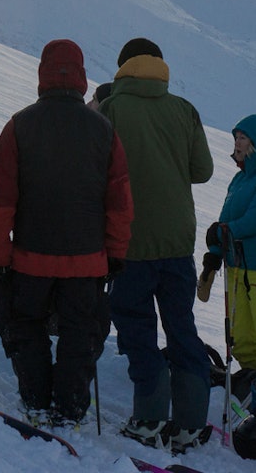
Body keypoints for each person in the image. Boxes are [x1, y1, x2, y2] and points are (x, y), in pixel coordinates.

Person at [0, 39, 133, 425]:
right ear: (82, 75)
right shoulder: (103, 129)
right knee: (80, 332)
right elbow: (119, 200)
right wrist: (116, 252)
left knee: (26, 325)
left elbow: (1, 199)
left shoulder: (19, 125)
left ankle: (36, 399)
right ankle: (69, 407)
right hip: (87, 259)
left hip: (30, 257)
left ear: (43, 73)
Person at [98, 37, 215, 453]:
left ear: (122, 66)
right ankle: (191, 423)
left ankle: (149, 419)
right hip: (178, 240)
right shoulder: (184, 109)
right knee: (182, 328)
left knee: (137, 328)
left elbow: (96, 169)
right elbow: (202, 170)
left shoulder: (111, 108)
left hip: (129, 241)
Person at [198, 114, 256, 372]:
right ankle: (250, 384)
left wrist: (223, 232)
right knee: (242, 339)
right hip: (236, 268)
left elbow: (254, 220)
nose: (237, 142)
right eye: (236, 136)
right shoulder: (239, 179)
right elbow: (225, 220)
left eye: (243, 137)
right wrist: (213, 256)